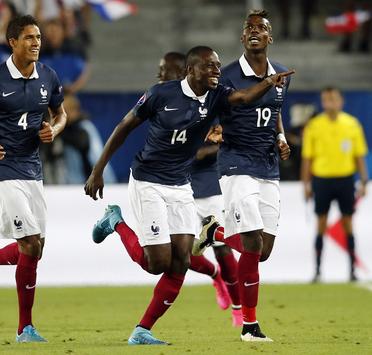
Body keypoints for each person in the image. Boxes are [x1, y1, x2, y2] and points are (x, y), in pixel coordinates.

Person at [84, 45, 293, 345]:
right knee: (156, 263)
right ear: (190, 70)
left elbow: (245, 98)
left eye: (218, 66)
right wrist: (97, 170)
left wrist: (267, 83)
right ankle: (115, 221)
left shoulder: (217, 94)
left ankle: (142, 330)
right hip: (148, 181)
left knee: (180, 262)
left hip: (181, 185)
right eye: (209, 67)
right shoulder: (161, 94)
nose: (216, 72)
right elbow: (124, 126)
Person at [193, 10, 292, 342]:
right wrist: (211, 129)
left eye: (261, 28)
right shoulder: (227, 75)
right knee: (251, 242)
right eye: (249, 28)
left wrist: (280, 138)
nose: (255, 32)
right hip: (236, 163)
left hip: (268, 167)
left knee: (263, 250)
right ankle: (250, 326)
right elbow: (208, 108)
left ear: (269, 37)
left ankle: (216, 232)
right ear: (242, 37)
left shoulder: (281, 74)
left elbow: (274, 112)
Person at [159, 51, 242, 326]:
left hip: (206, 184)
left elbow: (224, 135)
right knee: (177, 253)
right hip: (173, 184)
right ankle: (215, 277)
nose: (160, 75)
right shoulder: (160, 99)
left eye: (165, 70)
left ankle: (239, 309)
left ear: (184, 71)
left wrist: (201, 151)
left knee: (220, 244)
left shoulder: (210, 97)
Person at [0, 15, 66, 342]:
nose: (36, 42)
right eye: (29, 37)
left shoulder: (48, 76)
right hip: (4, 171)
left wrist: (53, 129)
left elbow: (61, 113)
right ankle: (25, 328)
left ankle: (26, 326)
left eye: (38, 37)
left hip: (32, 170)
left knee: (35, 248)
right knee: (29, 242)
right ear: (12, 42)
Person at [301, 87, 368, 282]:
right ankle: (318, 271)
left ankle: (352, 271)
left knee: (348, 224)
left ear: (341, 101)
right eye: (326, 100)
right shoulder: (314, 126)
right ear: (322, 102)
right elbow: (307, 159)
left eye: (333, 99)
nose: (330, 103)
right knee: (321, 224)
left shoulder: (352, 124)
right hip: (322, 180)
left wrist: (363, 181)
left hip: (346, 179)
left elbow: (359, 156)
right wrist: (306, 185)